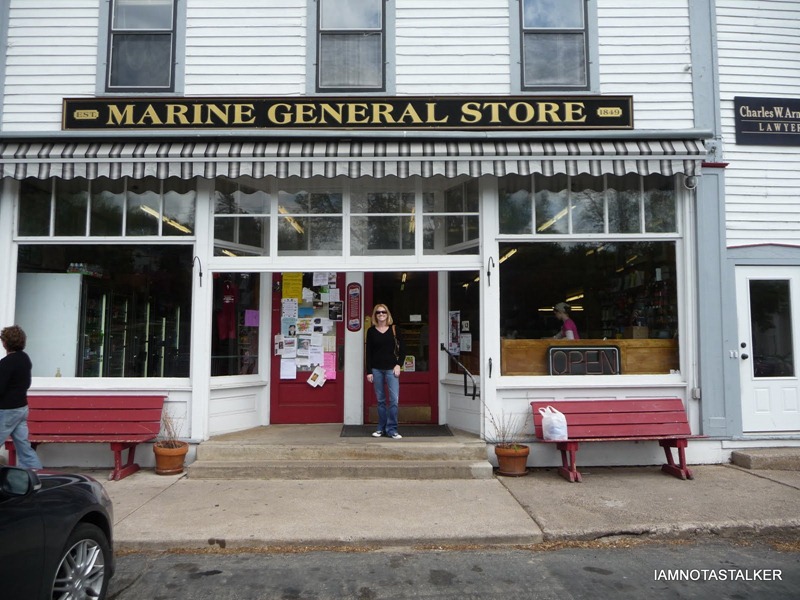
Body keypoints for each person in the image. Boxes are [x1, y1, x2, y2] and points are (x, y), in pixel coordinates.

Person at [0, 325, 43, 469]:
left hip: (7, 410)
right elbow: (27, 383)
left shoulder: (5, 363)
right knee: (24, 448)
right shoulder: (25, 359)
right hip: (22, 408)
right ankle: (36, 475)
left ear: (5, 343)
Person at [365, 304, 405, 439]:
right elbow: (368, 352)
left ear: (388, 314)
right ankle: (381, 428)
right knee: (381, 400)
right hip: (376, 369)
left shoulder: (394, 329)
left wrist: (399, 365)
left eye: (383, 312)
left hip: (391, 369)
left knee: (394, 400)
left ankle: (392, 428)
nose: (381, 314)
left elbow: (403, 349)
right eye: (378, 312)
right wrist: (369, 371)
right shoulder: (371, 331)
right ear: (375, 315)